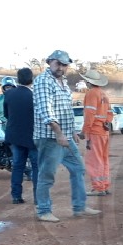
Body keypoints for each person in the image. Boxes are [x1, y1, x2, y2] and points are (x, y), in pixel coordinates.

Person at [32, 50, 101, 222]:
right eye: (58, 63)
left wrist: (71, 132)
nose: (61, 67)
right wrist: (59, 133)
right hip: (50, 137)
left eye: (65, 64)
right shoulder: (43, 81)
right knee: (47, 175)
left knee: (78, 169)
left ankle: (80, 206)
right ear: (49, 62)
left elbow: (66, 111)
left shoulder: (62, 82)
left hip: (65, 136)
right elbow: (45, 111)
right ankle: (43, 211)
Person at [3, 67, 39, 205]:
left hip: (14, 135)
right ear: (31, 79)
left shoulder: (9, 94)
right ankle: (38, 197)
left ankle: (16, 196)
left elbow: (7, 114)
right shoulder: (34, 95)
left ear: (18, 79)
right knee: (36, 167)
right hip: (32, 136)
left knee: (18, 166)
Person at [80, 69, 113, 197]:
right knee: (104, 159)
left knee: (94, 160)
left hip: (95, 131)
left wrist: (84, 131)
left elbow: (90, 114)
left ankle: (99, 188)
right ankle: (104, 185)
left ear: (88, 81)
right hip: (104, 132)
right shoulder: (103, 94)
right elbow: (110, 113)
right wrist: (107, 122)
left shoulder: (91, 94)